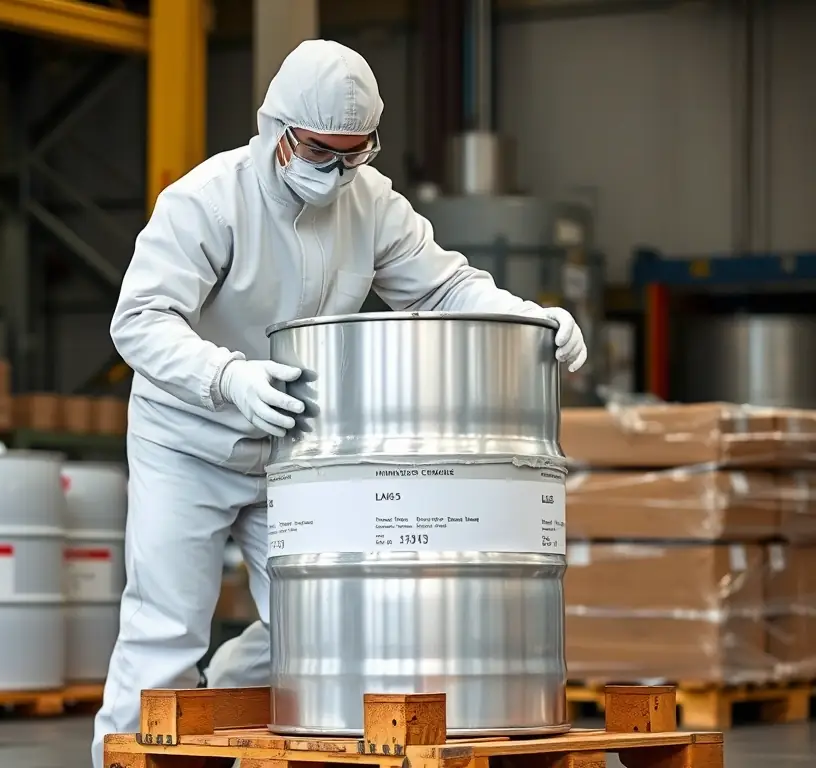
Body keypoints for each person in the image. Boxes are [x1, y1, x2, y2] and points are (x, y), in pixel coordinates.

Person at [91, 38, 586, 767]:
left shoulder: (371, 203)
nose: (337, 172)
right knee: (166, 626)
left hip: (293, 451)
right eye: (323, 152)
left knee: (312, 628)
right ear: (279, 132)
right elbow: (139, 320)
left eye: (356, 154)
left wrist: (528, 317)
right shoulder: (207, 201)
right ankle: (120, 759)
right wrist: (228, 377)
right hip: (187, 440)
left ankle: (231, 695)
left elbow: (445, 288)